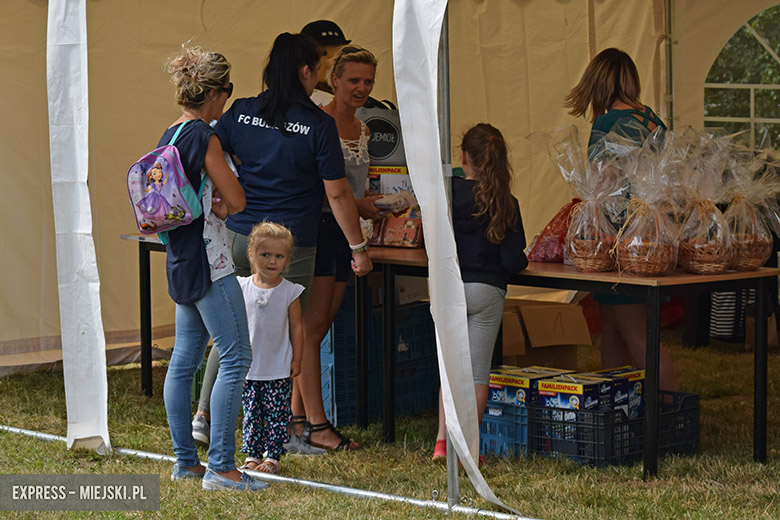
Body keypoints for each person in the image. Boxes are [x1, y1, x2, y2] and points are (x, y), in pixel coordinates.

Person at [190, 32, 372, 453]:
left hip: (240, 237)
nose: (319, 79)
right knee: (285, 337)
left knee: (232, 329)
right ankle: (276, 430)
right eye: (320, 70)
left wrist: (224, 196)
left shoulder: (241, 111)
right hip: (292, 247)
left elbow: (212, 154)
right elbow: (338, 193)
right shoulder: (319, 125)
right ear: (305, 72)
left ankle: (205, 413)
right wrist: (358, 249)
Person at [160, 45, 266, 492]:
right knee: (237, 354)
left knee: (184, 359)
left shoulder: (170, 132)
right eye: (228, 91)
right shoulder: (206, 136)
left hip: (181, 256)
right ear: (217, 93)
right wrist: (227, 191)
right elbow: (237, 201)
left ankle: (186, 462)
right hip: (211, 259)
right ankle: (222, 467)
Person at [563, 47, 677, 391]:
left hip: (620, 239)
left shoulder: (608, 122)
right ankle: (614, 404)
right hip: (652, 236)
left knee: (634, 331)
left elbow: (602, 184)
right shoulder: (652, 119)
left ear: (598, 84)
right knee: (612, 325)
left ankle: (669, 411)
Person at [291, 45, 382, 451]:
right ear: (336, 80)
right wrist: (359, 209)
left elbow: (354, 190)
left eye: (368, 82)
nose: (361, 88)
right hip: (322, 230)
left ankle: (295, 418)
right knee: (311, 330)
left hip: (349, 233)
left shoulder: (364, 129)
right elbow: (324, 190)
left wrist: (374, 208)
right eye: (354, 80)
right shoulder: (319, 121)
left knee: (321, 326)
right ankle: (316, 424)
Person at [431, 124, 528, 463]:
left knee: (449, 369)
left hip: (450, 288)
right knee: (476, 374)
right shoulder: (507, 202)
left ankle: (442, 443)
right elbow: (513, 260)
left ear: (463, 158)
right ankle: (467, 448)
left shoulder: (447, 192)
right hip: (487, 290)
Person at [239, 222, 304, 474]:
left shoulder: (290, 291)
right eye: (265, 255)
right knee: (251, 414)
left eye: (279, 256)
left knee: (277, 415)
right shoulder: (241, 287)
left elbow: (297, 328)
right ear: (251, 255)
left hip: (278, 367)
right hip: (250, 367)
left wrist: (297, 358)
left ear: (287, 259)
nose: (272, 261)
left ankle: (272, 456)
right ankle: (253, 455)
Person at [301, 20, 388, 109]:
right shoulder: (296, 104)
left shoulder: (363, 105)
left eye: (337, 55)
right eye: (323, 54)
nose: (330, 62)